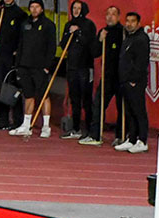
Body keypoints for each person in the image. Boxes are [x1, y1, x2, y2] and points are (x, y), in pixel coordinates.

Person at [8, 0, 56, 138]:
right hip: (24, 65)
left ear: (42, 9)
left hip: (40, 67)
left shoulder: (48, 25)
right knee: (28, 95)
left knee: (43, 95)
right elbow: (21, 45)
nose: (34, 9)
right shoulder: (25, 24)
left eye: (37, 7)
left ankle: (46, 126)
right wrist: (18, 64)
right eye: (32, 7)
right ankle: (26, 125)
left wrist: (47, 66)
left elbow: (51, 47)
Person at [81, 5, 122, 145]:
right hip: (107, 76)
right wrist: (100, 40)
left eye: (113, 14)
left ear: (118, 17)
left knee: (122, 107)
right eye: (108, 14)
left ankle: (120, 136)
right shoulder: (103, 32)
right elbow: (95, 52)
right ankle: (95, 135)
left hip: (121, 76)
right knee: (98, 104)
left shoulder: (123, 32)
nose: (110, 17)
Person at [0, 0, 25, 131]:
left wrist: (17, 51)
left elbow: (22, 36)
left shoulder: (20, 14)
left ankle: (18, 119)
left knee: (13, 87)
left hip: (11, 56)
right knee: (1, 88)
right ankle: (3, 118)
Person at [61, 1, 97, 140]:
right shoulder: (68, 25)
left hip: (85, 67)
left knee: (86, 99)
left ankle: (89, 129)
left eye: (78, 8)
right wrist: (69, 33)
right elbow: (63, 44)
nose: (76, 11)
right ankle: (75, 128)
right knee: (74, 99)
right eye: (74, 8)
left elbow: (89, 44)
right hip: (72, 67)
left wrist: (78, 32)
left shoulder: (89, 25)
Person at [115, 11, 150, 154]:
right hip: (125, 81)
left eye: (132, 21)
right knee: (129, 112)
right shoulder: (128, 38)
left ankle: (142, 141)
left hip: (135, 82)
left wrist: (134, 79)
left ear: (138, 23)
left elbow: (141, 62)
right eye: (127, 21)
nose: (129, 24)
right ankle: (132, 139)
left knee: (138, 111)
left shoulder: (141, 39)